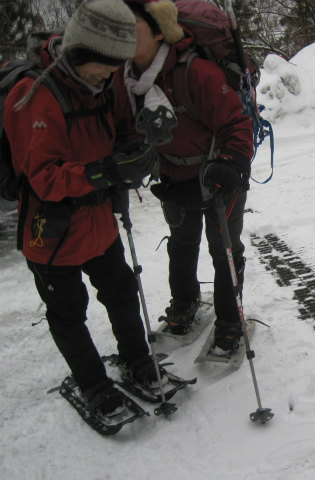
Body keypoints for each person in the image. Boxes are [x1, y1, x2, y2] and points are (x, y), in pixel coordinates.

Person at [5, 0, 162, 417]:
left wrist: (135, 149)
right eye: (104, 66)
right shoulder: (33, 96)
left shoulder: (105, 83)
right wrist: (106, 170)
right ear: (79, 50)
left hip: (98, 221)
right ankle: (94, 385)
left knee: (122, 291)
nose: (110, 76)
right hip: (50, 232)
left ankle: (137, 359)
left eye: (115, 67)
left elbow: (122, 128)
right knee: (69, 311)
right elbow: (43, 177)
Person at [121, 1, 254, 353]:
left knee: (224, 248)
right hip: (173, 179)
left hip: (218, 176)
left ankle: (229, 318)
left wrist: (232, 162)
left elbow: (237, 125)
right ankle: (184, 302)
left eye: (133, 26)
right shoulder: (127, 81)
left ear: (160, 31)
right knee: (181, 244)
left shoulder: (194, 72)